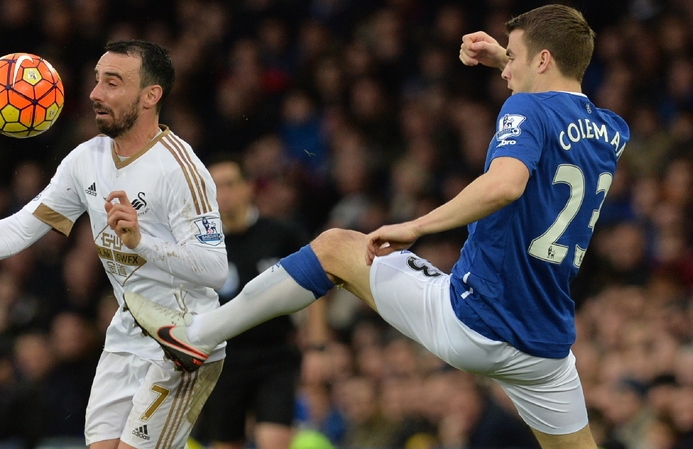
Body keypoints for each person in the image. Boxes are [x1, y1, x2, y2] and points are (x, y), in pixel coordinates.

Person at [124, 5, 629, 449]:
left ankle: (198, 336)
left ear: (541, 60)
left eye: (515, 56)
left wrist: (418, 225)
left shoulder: (525, 106)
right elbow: (561, 102)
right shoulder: (612, 130)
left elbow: (505, 185)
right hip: (544, 344)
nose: (506, 68)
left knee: (335, 247)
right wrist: (508, 60)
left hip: (477, 320)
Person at [0, 40, 228, 449]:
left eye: (112, 83)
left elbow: (215, 269)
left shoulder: (181, 169)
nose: (94, 93)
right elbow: (21, 228)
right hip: (127, 335)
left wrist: (142, 242)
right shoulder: (86, 159)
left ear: (150, 96)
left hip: (182, 339)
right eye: (96, 81)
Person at [193, 154, 319, 449]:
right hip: (222, 359)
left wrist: (317, 347)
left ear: (248, 187)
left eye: (230, 184)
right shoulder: (200, 248)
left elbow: (316, 289)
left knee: (274, 441)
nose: (223, 194)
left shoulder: (282, 234)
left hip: (274, 356)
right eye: (215, 187)